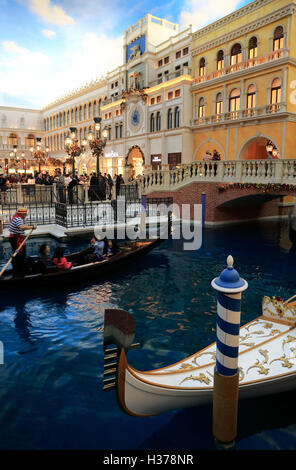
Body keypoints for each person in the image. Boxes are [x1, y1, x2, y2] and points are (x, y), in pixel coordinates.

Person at [8, 208, 37, 277]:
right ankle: (19, 272)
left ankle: (18, 270)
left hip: (15, 238)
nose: (26, 215)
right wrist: (32, 227)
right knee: (20, 255)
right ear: (22, 214)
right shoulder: (18, 219)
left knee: (18, 255)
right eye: (25, 214)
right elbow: (21, 227)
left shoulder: (16, 217)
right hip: (17, 239)